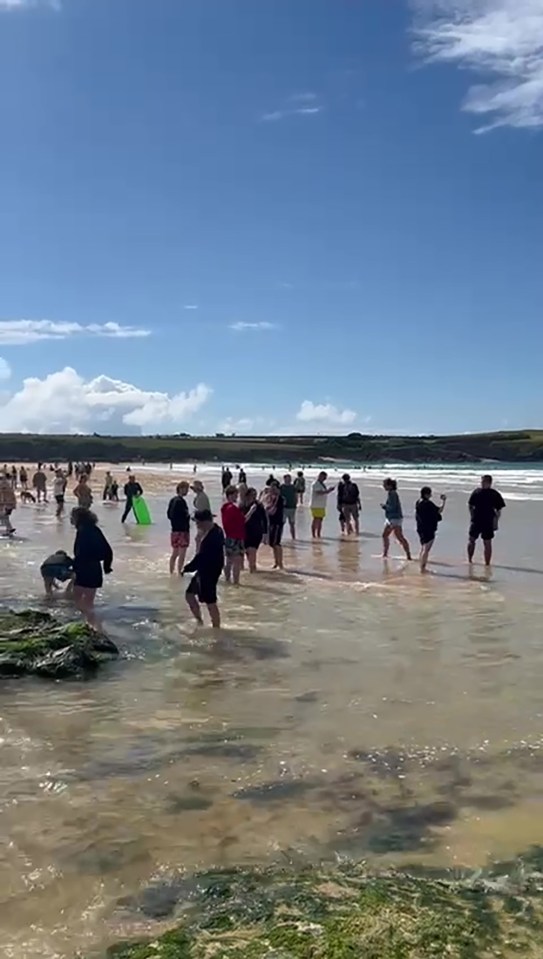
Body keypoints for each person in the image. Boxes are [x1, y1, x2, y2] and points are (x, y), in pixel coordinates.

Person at [71, 508, 113, 624]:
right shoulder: (95, 529)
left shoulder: (82, 531)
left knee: (77, 600)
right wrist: (107, 567)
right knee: (89, 602)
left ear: (78, 518)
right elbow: (108, 550)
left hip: (84, 569)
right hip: (95, 569)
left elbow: (80, 554)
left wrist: (74, 569)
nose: (71, 519)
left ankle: (92, 620)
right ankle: (93, 625)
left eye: (72, 517)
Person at [183, 509, 225, 628]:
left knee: (210, 602)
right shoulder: (215, 530)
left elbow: (202, 557)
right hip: (204, 570)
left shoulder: (213, 537)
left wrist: (188, 568)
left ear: (205, 521)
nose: (197, 525)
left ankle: (216, 628)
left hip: (209, 571)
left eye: (198, 523)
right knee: (189, 595)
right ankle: (199, 621)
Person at [468, 475, 506, 567]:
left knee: (487, 543)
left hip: (488, 521)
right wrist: (472, 515)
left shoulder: (494, 494)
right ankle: (470, 560)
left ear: (489, 483)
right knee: (471, 540)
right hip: (476, 520)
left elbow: (499, 510)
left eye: (484, 482)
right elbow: (470, 505)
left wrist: (496, 521)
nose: (482, 483)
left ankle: (487, 563)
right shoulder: (476, 492)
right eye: (481, 481)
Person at [416, 487, 446, 572]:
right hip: (428, 528)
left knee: (423, 548)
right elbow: (439, 510)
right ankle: (423, 568)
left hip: (420, 527)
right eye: (429, 494)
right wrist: (444, 501)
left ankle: (421, 566)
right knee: (426, 549)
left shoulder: (418, 502)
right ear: (426, 494)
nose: (431, 495)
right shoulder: (428, 504)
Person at [381, 478, 412, 560]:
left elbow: (393, 507)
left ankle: (408, 555)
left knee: (399, 537)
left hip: (395, 518)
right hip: (391, 518)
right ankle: (385, 553)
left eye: (385, 485)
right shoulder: (391, 493)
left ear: (390, 486)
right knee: (385, 535)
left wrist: (385, 507)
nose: (383, 486)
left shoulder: (393, 494)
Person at [220, 485, 245, 585]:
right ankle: (236, 582)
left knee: (229, 561)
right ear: (230, 495)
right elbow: (243, 520)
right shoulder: (233, 508)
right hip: (237, 537)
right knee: (237, 562)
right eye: (235, 495)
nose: (237, 497)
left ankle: (227, 579)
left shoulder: (224, 507)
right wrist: (251, 511)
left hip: (229, 536)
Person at [167, 481, 191, 575]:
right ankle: (180, 572)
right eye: (186, 489)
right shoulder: (181, 502)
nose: (187, 491)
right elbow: (185, 515)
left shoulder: (172, 500)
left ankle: (171, 571)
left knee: (175, 553)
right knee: (182, 553)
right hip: (183, 530)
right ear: (181, 489)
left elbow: (169, 515)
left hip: (174, 530)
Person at [242, 487, 268, 572]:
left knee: (252, 551)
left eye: (255, 495)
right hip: (244, 531)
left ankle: (253, 570)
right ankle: (252, 575)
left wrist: (265, 533)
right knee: (247, 552)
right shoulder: (242, 505)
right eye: (251, 495)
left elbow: (264, 519)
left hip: (256, 532)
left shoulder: (258, 505)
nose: (253, 497)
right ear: (247, 495)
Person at [265, 481, 285, 569]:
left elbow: (272, 511)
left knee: (276, 543)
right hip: (271, 522)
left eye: (274, 488)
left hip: (277, 523)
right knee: (272, 543)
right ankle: (276, 562)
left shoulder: (280, 499)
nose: (272, 490)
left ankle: (280, 563)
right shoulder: (270, 498)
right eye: (271, 488)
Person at [310, 471, 335, 539]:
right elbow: (319, 492)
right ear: (320, 476)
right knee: (315, 519)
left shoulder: (322, 484)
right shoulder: (315, 484)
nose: (324, 478)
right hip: (316, 505)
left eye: (325, 477)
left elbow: (323, 492)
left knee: (320, 519)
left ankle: (318, 534)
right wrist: (328, 491)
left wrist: (328, 490)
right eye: (323, 477)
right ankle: (313, 534)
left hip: (321, 505)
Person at [280, 474, 298, 540]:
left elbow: (296, 496)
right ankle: (279, 537)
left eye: (289, 479)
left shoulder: (293, 487)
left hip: (292, 507)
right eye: (287, 479)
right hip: (284, 508)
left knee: (292, 523)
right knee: (282, 524)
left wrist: (296, 503)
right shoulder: (281, 487)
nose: (288, 480)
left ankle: (293, 538)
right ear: (284, 479)